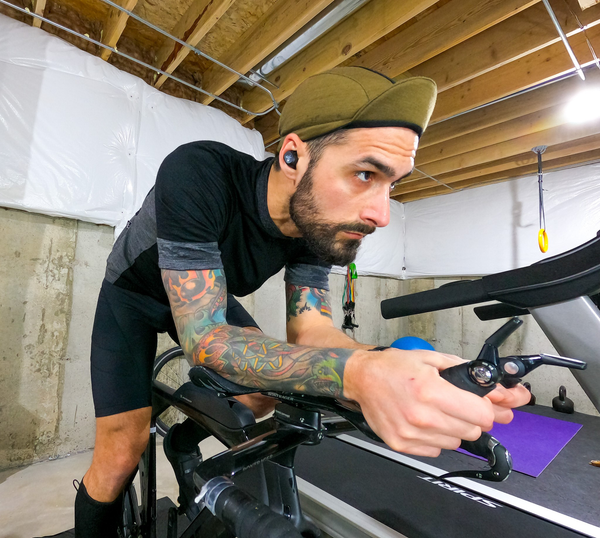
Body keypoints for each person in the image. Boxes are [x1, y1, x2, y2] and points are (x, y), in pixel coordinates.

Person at [73, 67, 529, 537]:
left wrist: (392, 364)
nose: (382, 214)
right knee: (120, 451)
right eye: (365, 173)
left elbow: (313, 333)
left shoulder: (318, 224)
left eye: (391, 183)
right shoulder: (197, 172)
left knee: (261, 391)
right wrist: (355, 375)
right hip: (134, 296)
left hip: (207, 294)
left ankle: (181, 446)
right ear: (292, 155)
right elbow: (206, 339)